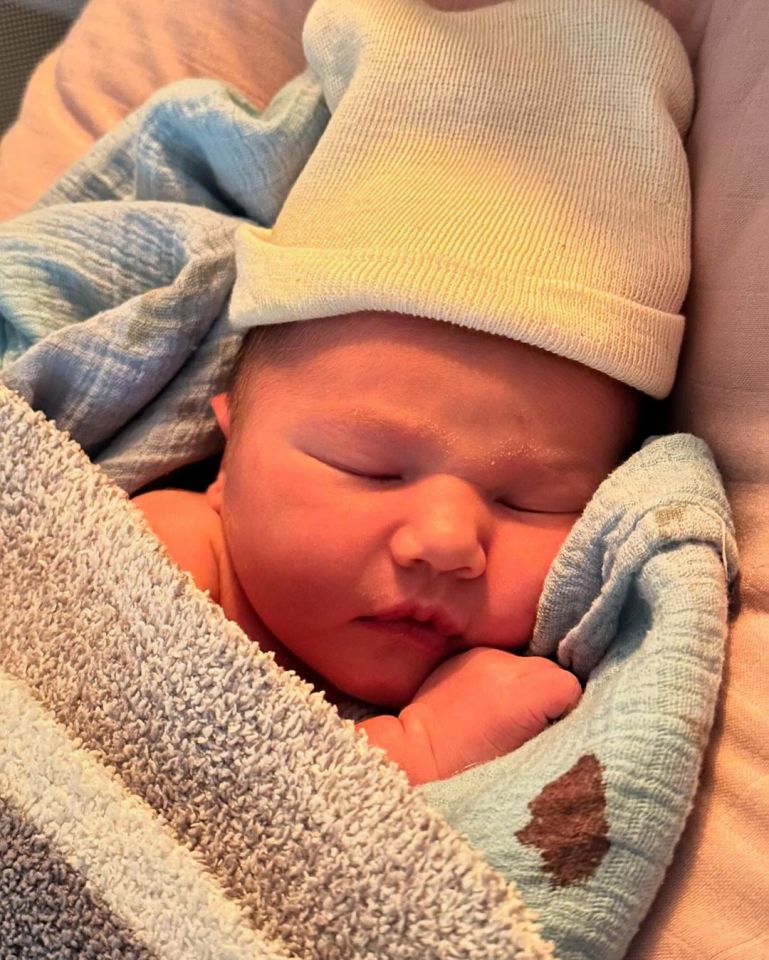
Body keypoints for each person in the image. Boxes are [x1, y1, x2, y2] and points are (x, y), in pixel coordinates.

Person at [132, 0, 692, 785]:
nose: (447, 542)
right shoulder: (170, 559)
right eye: (371, 467)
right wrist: (415, 751)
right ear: (227, 452)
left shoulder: (499, 684)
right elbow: (129, 793)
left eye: (530, 500)